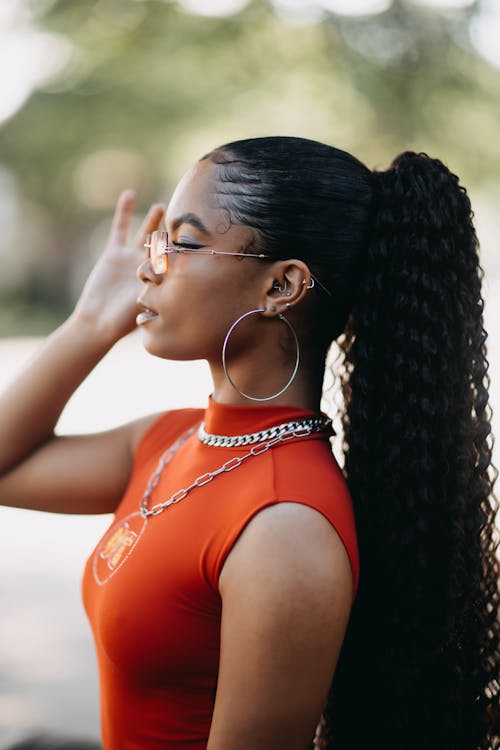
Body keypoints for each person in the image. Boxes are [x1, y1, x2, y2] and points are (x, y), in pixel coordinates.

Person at [0, 136, 498, 750]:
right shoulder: (169, 439)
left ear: (281, 287)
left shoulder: (286, 524)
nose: (149, 266)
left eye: (182, 243)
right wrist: (90, 326)